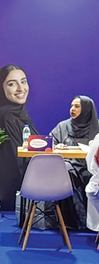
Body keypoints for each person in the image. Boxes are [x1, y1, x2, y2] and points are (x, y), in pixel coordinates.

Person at [46, 95, 99, 229]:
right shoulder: (63, 126)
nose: (72, 109)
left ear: (86, 109)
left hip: (92, 168)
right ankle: (69, 221)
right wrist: (56, 146)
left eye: (77, 106)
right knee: (65, 170)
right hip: (68, 164)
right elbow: (49, 143)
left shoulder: (97, 127)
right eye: (71, 106)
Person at [0, 64, 37, 211]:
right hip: (15, 199)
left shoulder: (19, 115)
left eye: (23, 82)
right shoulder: (6, 117)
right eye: (12, 84)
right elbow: (15, 162)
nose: (21, 88)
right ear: (1, 88)